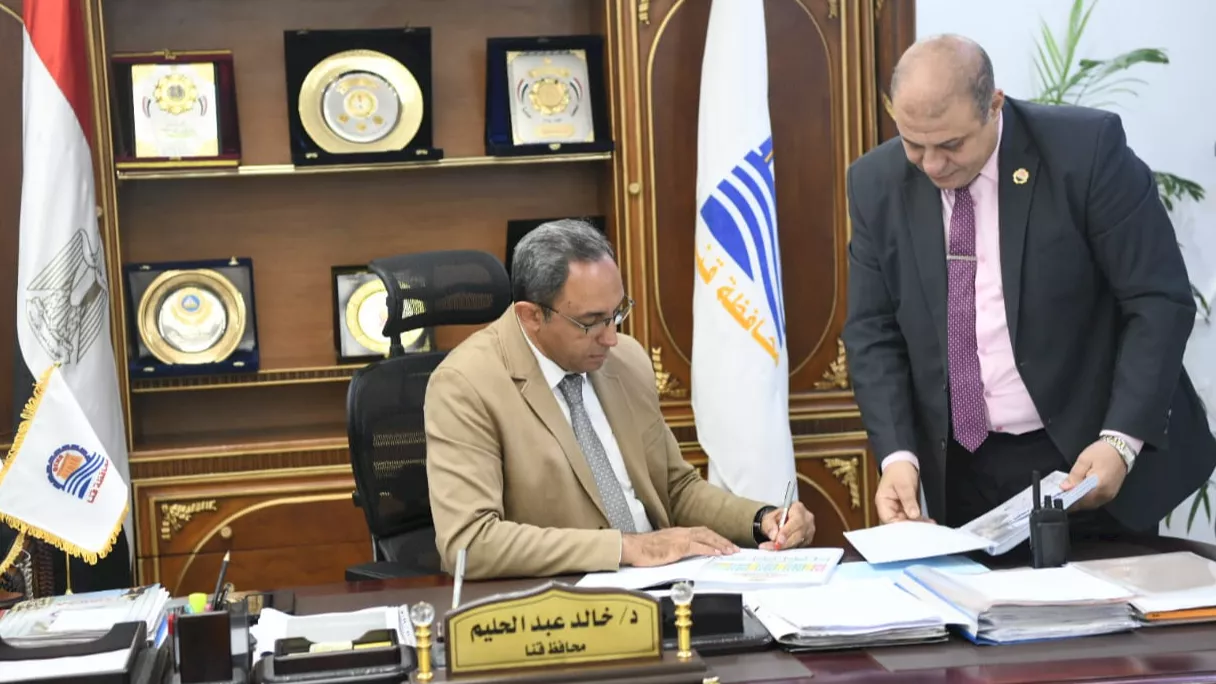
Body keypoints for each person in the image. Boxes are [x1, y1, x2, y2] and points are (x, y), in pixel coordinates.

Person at [842, 34, 1216, 534]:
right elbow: (872, 330)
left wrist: (1120, 440)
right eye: (914, 144)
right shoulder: (876, 183)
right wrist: (897, 457)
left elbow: (1157, 299)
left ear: (994, 105)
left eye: (951, 145)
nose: (932, 165)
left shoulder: (1084, 153)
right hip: (963, 468)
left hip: (1085, 455)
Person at [425, 219, 815, 579]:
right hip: (564, 600)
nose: (611, 337)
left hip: (667, 582)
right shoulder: (466, 385)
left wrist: (761, 519)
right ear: (531, 317)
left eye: (617, 313)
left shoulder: (626, 360)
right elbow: (469, 544)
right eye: (591, 322)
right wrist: (625, 548)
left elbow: (674, 488)